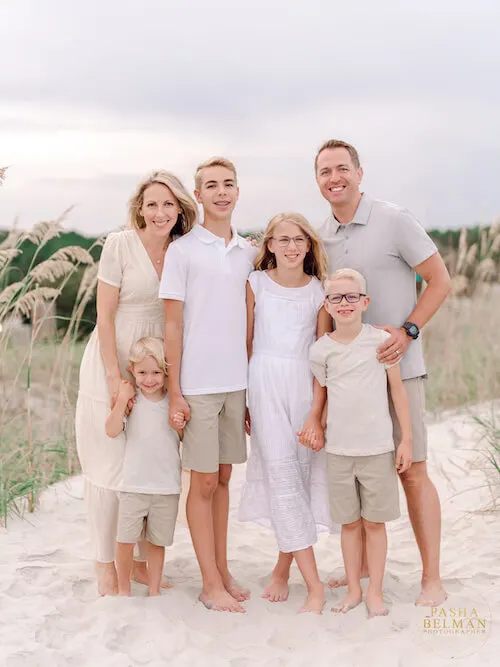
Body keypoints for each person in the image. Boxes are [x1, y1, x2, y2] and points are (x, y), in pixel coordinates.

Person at [314, 139, 452, 606]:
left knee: (412, 471)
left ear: (359, 172)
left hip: (400, 370)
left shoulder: (393, 219)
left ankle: (431, 577)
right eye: (324, 172)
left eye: (341, 169)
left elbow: (441, 280)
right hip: (350, 382)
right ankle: (366, 574)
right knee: (357, 474)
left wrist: (410, 330)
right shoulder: (321, 235)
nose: (334, 178)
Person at [75, 171, 198, 595]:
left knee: (151, 457)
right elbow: (104, 316)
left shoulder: (185, 249)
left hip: (159, 363)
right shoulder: (119, 244)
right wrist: (115, 377)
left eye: (168, 204)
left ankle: (143, 561)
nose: (160, 212)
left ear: (180, 208)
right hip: (115, 355)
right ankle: (105, 562)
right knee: (110, 463)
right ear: (139, 209)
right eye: (151, 204)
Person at [160, 157, 257, 613]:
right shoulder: (182, 252)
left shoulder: (249, 253)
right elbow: (173, 326)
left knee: (222, 477)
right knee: (200, 483)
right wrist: (175, 390)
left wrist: (253, 385)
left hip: (235, 381)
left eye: (229, 184)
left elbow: (253, 321)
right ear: (197, 196)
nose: (221, 192)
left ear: (238, 191)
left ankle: (222, 568)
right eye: (211, 185)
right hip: (197, 384)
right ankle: (209, 582)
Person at [238, 212, 332, 614]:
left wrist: (317, 413)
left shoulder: (318, 292)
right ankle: (315, 587)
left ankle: (282, 567)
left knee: (301, 476)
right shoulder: (255, 284)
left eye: (299, 240)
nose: (292, 247)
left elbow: (323, 357)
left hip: (304, 385)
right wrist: (244, 397)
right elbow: (245, 342)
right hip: (264, 383)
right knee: (281, 476)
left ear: (309, 245)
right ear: (270, 245)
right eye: (283, 240)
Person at [308, 268, 412, 616]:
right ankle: (353, 590)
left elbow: (397, 391)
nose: (345, 303)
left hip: (377, 449)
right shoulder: (321, 351)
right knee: (349, 525)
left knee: (374, 523)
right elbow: (321, 397)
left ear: (365, 302)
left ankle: (376, 592)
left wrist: (406, 440)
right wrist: (316, 426)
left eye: (352, 296)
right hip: (339, 451)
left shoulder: (380, 342)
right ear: (327, 305)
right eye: (336, 297)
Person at [105, 337, 185, 597]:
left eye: (155, 372)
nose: (149, 379)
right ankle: (124, 588)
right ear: (132, 370)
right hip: (133, 485)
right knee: (125, 540)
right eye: (142, 372)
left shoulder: (173, 404)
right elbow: (111, 430)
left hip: (165, 487)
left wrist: (180, 423)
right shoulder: (132, 403)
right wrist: (121, 399)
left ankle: (153, 589)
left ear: (165, 372)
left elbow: (183, 438)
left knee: (157, 542)